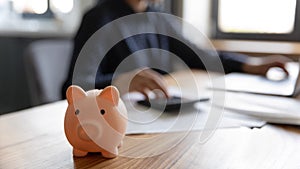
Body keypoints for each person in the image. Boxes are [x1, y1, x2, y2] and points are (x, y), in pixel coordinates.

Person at [62, 0, 289, 99]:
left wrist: (248, 64)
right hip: (117, 124)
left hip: (159, 115)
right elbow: (75, 85)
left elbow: (200, 56)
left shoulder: (159, 18)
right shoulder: (98, 19)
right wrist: (122, 82)